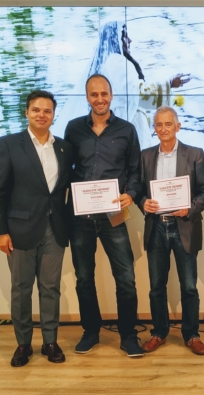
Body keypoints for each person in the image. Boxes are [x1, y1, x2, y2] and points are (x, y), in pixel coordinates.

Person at [0, 90, 72, 367]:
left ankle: (50, 341)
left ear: (54, 115)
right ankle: (23, 344)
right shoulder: (8, 144)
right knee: (21, 289)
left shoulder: (64, 147)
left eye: (47, 111)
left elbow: (64, 190)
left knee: (50, 288)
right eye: (36, 110)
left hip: (54, 230)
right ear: (27, 112)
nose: (41, 115)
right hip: (19, 230)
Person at [64, 74, 144, 357]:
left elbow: (135, 171)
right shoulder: (73, 129)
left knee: (126, 279)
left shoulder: (127, 130)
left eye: (104, 94)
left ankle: (128, 335)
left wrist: (131, 194)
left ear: (112, 95)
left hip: (114, 215)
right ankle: (91, 331)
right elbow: (67, 170)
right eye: (94, 94)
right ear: (87, 97)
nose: (100, 99)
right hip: (81, 218)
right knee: (84, 278)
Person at [138, 106, 204, 355]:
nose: (163, 129)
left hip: (184, 226)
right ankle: (159, 332)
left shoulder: (195, 154)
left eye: (168, 124)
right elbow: (138, 191)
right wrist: (142, 203)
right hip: (156, 227)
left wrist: (190, 209)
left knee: (189, 286)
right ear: (154, 128)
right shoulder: (145, 156)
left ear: (178, 126)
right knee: (156, 286)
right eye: (158, 125)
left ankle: (191, 335)